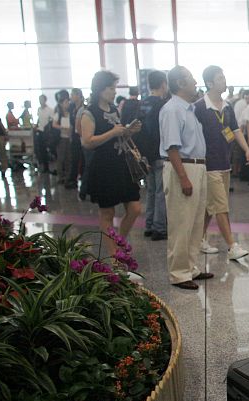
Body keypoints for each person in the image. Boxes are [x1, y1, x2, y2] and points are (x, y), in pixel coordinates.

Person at [159, 65, 212, 290]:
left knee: (196, 222)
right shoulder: (172, 110)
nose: (195, 82)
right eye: (191, 78)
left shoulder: (189, 109)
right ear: (180, 83)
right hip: (183, 167)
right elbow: (172, 148)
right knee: (182, 223)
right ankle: (179, 273)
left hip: (197, 167)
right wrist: (184, 178)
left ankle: (191, 267)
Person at [80, 71, 143, 257]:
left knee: (135, 208)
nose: (114, 92)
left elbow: (118, 134)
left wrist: (128, 131)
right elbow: (87, 141)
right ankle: (114, 253)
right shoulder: (89, 113)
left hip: (121, 164)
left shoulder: (114, 109)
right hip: (103, 167)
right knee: (107, 213)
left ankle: (119, 242)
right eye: (111, 88)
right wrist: (113, 133)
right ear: (100, 89)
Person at [194, 65, 249, 261]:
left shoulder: (227, 106)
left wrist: (246, 149)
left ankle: (199, 239)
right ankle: (232, 245)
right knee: (220, 206)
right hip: (208, 164)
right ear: (209, 82)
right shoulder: (200, 107)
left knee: (212, 206)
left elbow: (234, 130)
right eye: (220, 78)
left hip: (224, 162)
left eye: (224, 77)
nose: (224, 81)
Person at [135, 71, 169, 241]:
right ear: (163, 84)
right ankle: (160, 228)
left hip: (145, 154)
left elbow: (139, 131)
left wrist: (142, 154)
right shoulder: (163, 105)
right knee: (161, 191)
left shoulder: (142, 104)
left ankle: (148, 225)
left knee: (150, 190)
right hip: (160, 153)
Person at [52, 93, 72, 185]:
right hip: (61, 138)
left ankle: (68, 175)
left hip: (69, 138)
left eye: (68, 102)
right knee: (61, 158)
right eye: (66, 102)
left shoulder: (69, 113)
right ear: (61, 103)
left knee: (68, 158)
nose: (67, 103)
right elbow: (54, 124)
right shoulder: (58, 114)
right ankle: (61, 176)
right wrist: (62, 127)